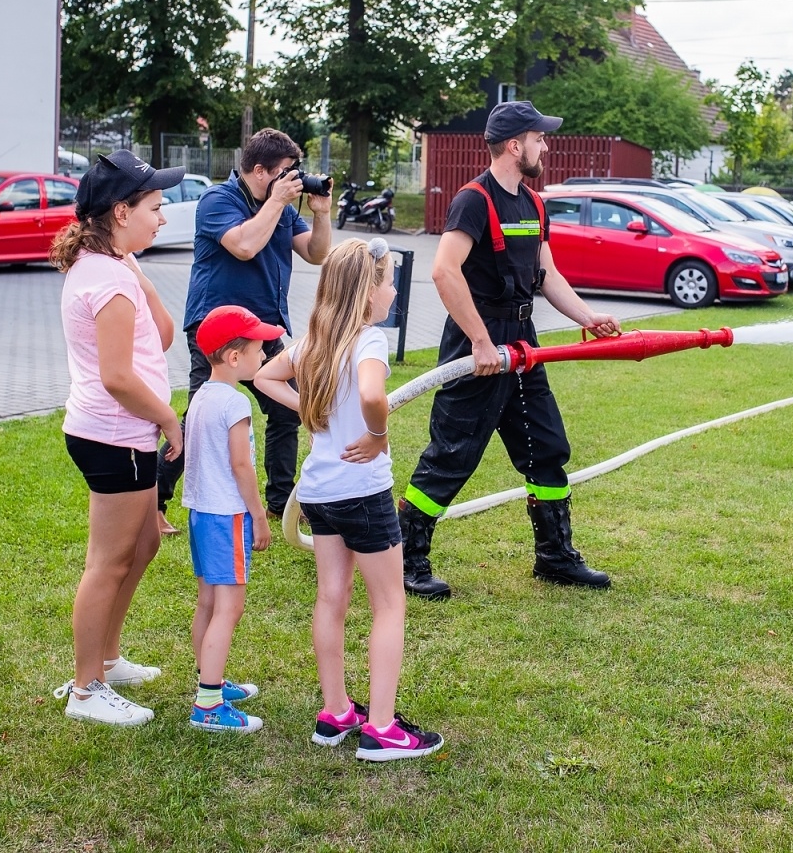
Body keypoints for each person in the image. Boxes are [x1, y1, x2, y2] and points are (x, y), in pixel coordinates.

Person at [399, 101, 620, 600]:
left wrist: (588, 319)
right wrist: (479, 340)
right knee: (452, 456)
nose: (547, 145)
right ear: (516, 145)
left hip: (523, 345)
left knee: (547, 448)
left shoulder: (534, 203)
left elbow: (548, 275)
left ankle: (555, 558)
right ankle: (405, 560)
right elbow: (444, 270)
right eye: (541, 138)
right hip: (476, 345)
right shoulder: (473, 200)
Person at [255, 237, 444, 761]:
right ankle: (381, 729)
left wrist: (309, 411)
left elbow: (264, 375)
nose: (392, 291)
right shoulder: (369, 340)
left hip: (318, 492)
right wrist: (378, 434)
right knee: (389, 604)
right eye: (387, 282)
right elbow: (371, 396)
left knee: (331, 599)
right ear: (367, 292)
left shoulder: (314, 340)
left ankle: (336, 711)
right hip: (363, 493)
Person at [50, 149, 185, 727]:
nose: (163, 217)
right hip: (114, 436)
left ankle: (105, 659)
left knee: (143, 546)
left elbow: (163, 335)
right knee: (107, 563)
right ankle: (86, 689)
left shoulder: (114, 268)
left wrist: (136, 269)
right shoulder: (104, 278)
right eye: (155, 207)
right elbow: (118, 377)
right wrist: (169, 420)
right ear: (120, 211)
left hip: (120, 432)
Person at [156, 129, 333, 535]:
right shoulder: (219, 200)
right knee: (201, 418)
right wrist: (276, 203)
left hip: (263, 327)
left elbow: (317, 253)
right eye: (286, 172)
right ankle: (154, 499)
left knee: (289, 407)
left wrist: (321, 212)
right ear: (259, 171)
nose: (293, 180)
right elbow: (244, 246)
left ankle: (279, 504)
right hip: (216, 329)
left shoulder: (283, 207)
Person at [183, 305, 282, 733]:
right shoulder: (235, 402)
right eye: (259, 348)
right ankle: (207, 705)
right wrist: (259, 517)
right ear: (233, 356)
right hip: (229, 517)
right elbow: (242, 466)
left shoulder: (201, 396)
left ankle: (212, 681)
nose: (265, 354)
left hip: (201, 514)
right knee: (229, 608)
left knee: (208, 602)